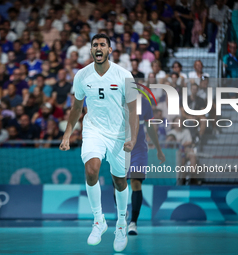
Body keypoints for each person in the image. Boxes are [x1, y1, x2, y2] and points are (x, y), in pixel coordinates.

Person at [59, 34, 139, 252]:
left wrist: (132, 137)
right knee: (91, 170)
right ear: (91, 50)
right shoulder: (82, 75)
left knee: (119, 180)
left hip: (119, 133)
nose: (98, 48)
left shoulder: (124, 75)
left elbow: (133, 111)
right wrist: (67, 134)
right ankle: (98, 220)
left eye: (102, 44)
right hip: (93, 129)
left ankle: (121, 222)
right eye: (95, 45)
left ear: (110, 50)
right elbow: (76, 108)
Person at [126, 97, 166, 235]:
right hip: (119, 148)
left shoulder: (143, 102)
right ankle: (121, 213)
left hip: (138, 149)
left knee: (136, 182)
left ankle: (133, 223)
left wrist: (159, 150)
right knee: (118, 184)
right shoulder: (114, 98)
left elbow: (149, 126)